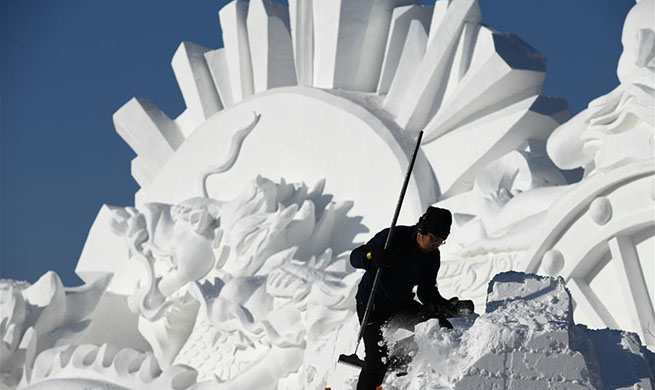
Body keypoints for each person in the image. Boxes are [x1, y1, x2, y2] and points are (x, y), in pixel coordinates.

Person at [350, 206, 457, 390]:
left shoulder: (432, 257)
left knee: (436, 328)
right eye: (433, 239)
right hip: (372, 304)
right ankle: (381, 366)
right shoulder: (393, 237)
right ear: (421, 230)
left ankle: (398, 360)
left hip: (401, 304)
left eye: (441, 242)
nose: (436, 245)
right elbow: (355, 257)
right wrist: (372, 257)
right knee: (376, 360)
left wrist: (443, 305)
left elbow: (426, 291)